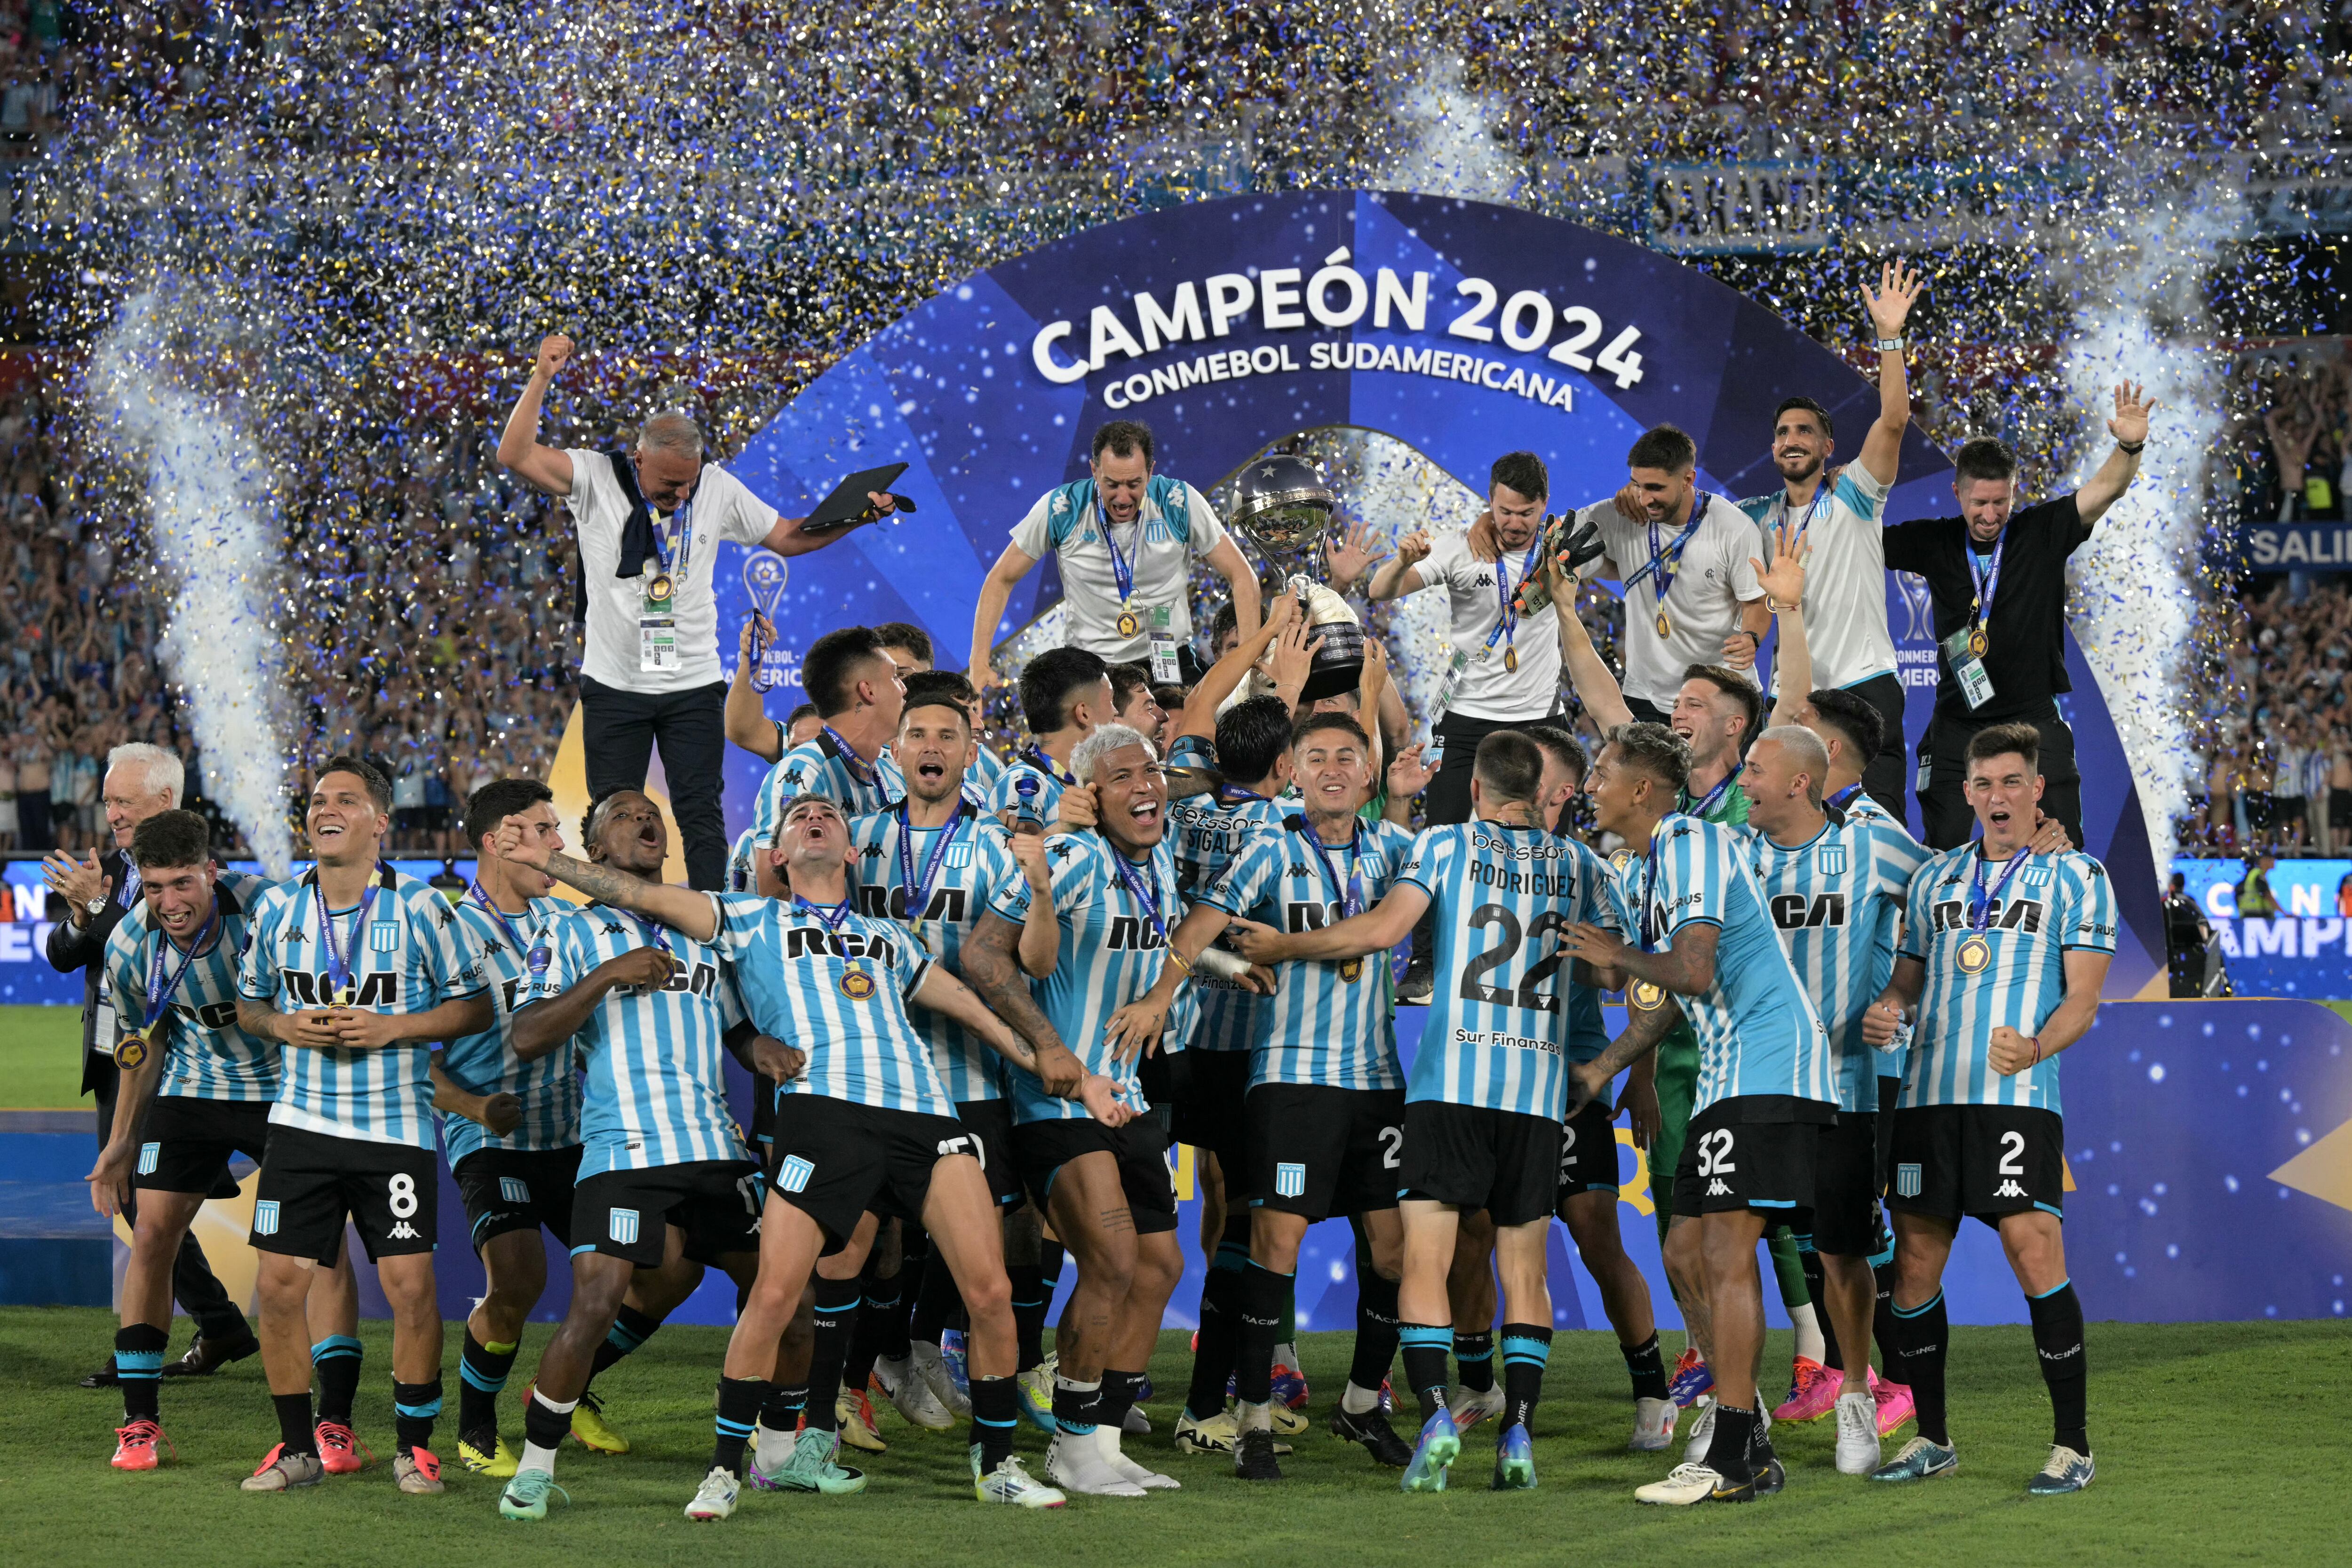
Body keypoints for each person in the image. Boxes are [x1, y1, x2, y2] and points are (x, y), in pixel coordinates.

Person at [499, 790, 1121, 1516]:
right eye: (797, 818)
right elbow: (633, 894)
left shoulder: (890, 936)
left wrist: (1073, 1072)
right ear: (777, 857)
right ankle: (720, 1471)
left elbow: (978, 1014)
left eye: (829, 813)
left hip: (921, 1112)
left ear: (854, 851)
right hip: (819, 1115)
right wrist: (551, 861)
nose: (815, 817)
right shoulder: (748, 917)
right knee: (766, 1295)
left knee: (984, 1295)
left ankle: (997, 1464)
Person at [1231, 732, 1611, 1496]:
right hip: (1524, 1095)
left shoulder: (1440, 846)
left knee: (1416, 1258)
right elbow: (1608, 963)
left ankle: (1415, 1410)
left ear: (1475, 793)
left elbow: (1380, 931)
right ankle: (1515, 1434)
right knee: (1519, 1270)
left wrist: (1281, 946)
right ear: (1542, 794)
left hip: (1440, 1087)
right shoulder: (1579, 865)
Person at [960, 724, 1270, 1497]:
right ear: (1091, 793)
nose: (1147, 785)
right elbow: (982, 956)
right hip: (1056, 1098)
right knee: (1114, 1258)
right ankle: (1069, 1444)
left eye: (1153, 770)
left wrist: (1227, 967)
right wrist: (1049, 1052)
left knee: (1160, 1264)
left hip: (1129, 1095)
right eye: (1124, 774)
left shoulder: (1158, 860)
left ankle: (1101, 1437)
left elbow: (1168, 942)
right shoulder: (1067, 859)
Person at [496, 333, 898, 889]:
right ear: (638, 460)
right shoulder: (592, 477)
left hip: (692, 685)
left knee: (701, 815)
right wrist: (541, 376)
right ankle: (620, 931)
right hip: (615, 686)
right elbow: (514, 454)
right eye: (667, 485)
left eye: (688, 484)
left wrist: (856, 514)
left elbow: (786, 536)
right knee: (613, 817)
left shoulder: (714, 488)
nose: (681, 496)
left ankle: (713, 930)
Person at [1134, 711, 1422, 1477]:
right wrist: (1165, 991)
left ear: (1367, 774)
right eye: (1316, 756)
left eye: (1347, 757)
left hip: (1376, 1081)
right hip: (1291, 1076)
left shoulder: (1397, 848)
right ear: (1292, 771)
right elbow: (1203, 923)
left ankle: (1363, 1401)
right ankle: (1253, 1416)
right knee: (1276, 1241)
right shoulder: (1271, 845)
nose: (1332, 768)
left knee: (1392, 1252)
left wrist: (1400, 804)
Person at [1557, 724, 1834, 1507]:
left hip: (1770, 1061)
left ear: (1642, 789)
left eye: (1604, 771)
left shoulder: (1688, 844)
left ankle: (1734, 1446)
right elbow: (1674, 996)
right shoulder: (1653, 868)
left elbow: (1691, 967)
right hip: (1728, 1071)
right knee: (1684, 1251)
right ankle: (1742, 1426)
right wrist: (1604, 1069)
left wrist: (1614, 956)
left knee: (1721, 1249)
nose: (1593, 784)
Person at [486, 788, 772, 1519]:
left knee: (783, 1297)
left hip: (714, 1147)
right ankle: (537, 1470)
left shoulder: (702, 925)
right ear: (596, 850)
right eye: (623, 814)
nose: (645, 821)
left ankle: (775, 1452)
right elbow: (528, 1034)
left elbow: (736, 1022)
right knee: (595, 1301)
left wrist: (758, 1048)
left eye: (653, 815)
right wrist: (610, 973)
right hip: (624, 1149)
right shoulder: (573, 933)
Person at [1860, 723, 2116, 1496]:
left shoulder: (2077, 874)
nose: (1999, 796)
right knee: (1913, 1267)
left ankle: (2072, 1444)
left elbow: (2085, 999)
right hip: (1928, 1097)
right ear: (1967, 793)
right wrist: (1888, 1008)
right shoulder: (1935, 877)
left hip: (2016, 1098)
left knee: (2034, 1252)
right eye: (1984, 784)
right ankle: (1933, 1438)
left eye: (2013, 782)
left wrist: (2035, 1048)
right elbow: (1908, 977)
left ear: (2039, 789)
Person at [234, 756, 494, 1494]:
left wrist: (394, 1029)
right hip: (302, 1124)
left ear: (380, 821)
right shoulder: (279, 908)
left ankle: (415, 1448)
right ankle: (296, 1448)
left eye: (346, 800)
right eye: (319, 799)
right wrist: (283, 1023)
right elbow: (249, 1006)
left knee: (411, 1288)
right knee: (280, 1286)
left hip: (394, 1128)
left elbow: (475, 1006)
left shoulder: (423, 907)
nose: (327, 808)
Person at [845, 682, 1062, 1428]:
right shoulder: (856, 841)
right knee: (868, 1236)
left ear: (972, 754)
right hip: (876, 1069)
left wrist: (1039, 890)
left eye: (948, 736)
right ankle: (855, 1386)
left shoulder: (995, 846)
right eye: (918, 735)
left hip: (970, 1069)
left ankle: (922, 1347)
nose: (932, 747)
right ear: (894, 749)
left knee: (993, 1224)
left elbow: (1034, 962)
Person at [1733, 724, 1932, 1478]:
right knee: (1722, 1248)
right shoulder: (1733, 855)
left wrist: (1897, 995)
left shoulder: (1870, 846)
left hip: (1841, 1091)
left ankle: (1855, 1390)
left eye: (1757, 768)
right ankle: (1735, 1408)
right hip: (1750, 1086)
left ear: (1800, 783)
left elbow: (1944, 891)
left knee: (1842, 1252)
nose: (1745, 779)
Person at [43, 742, 252, 1386]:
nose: (111, 813)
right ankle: (217, 1324)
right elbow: (60, 952)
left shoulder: (195, 875)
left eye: (123, 801)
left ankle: (207, 1326)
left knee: (151, 1205)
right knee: (143, 1207)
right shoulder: (102, 867)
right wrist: (82, 916)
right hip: (118, 1054)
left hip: (185, 1059)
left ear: (165, 801)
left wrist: (101, 912)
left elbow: (161, 943)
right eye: (108, 801)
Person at [1884, 383, 2157, 849]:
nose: (1989, 514)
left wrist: (2128, 445)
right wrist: (1835, 491)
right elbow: (1855, 538)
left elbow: (2105, 490)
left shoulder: (2039, 533)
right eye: (1978, 503)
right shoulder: (1932, 541)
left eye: (2000, 502)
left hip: (2032, 719)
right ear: (1956, 493)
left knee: (2062, 843)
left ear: (2014, 491)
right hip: (1955, 721)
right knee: (1941, 847)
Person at [85, 810, 276, 1471]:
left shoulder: (267, 911)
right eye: (155, 885)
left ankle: (325, 1418)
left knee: (317, 1247)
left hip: (282, 1091)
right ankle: (139, 1423)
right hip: (194, 1090)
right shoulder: (130, 945)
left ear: (212, 871)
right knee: (154, 1231)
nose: (169, 902)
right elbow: (144, 1044)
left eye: (183, 883)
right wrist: (120, 1143)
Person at [1366, 450, 1574, 1001]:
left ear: (1543, 507)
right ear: (1490, 501)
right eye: (1502, 511)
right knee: (1439, 840)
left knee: (1552, 847)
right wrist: (1399, 559)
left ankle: (1549, 966)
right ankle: (1426, 964)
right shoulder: (1461, 546)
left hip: (1540, 725)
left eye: (1524, 513)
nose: (1511, 523)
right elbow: (1381, 592)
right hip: (1464, 723)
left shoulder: (1562, 549)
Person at [1734, 261, 1923, 822]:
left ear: (1827, 446)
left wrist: (1887, 335)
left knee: (1877, 827)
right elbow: (1682, 522)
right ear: (1772, 450)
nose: (1790, 440)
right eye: (1781, 433)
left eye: (1803, 432)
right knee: (1782, 828)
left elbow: (1893, 420)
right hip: (1793, 699)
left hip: (1864, 690)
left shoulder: (1855, 496)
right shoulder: (1752, 517)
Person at [435, 779, 584, 1477]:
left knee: (660, 1266)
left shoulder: (570, 925)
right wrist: (474, 1109)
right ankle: (474, 1427)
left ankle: (566, 1389)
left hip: (575, 1132)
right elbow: (413, 1058)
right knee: (520, 1278)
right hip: (491, 1139)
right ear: (498, 841)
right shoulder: (445, 932)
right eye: (545, 830)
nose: (560, 844)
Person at [969, 419, 1259, 685]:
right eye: (1112, 484)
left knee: (1191, 736)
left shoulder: (1178, 501)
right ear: (1094, 471)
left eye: (1134, 484)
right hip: (1092, 666)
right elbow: (1001, 579)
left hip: (1167, 657)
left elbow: (1242, 576)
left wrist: (1249, 659)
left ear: (1151, 471)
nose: (1122, 498)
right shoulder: (1062, 508)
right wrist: (978, 661)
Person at [1570, 424, 1768, 726]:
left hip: (1719, 696)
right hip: (1645, 698)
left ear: (1688, 480)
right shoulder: (1624, 515)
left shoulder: (1734, 529)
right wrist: (1490, 521)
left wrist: (1751, 637)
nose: (1644, 498)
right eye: (1637, 484)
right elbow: (1553, 533)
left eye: (1656, 488)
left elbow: (1756, 602)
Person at [749, 626, 908, 844]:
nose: (904, 689)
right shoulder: (804, 773)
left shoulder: (894, 771)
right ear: (868, 691)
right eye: (894, 677)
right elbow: (775, 873)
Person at [985, 646, 1118, 828]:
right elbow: (1023, 854)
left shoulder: (1080, 779)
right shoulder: (1023, 787)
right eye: (1110, 701)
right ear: (1084, 714)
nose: (1115, 712)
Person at [2162, 872, 2213, 999]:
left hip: (2170, 961)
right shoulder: (2189, 902)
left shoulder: (2164, 904)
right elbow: (2204, 927)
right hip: (2190, 961)